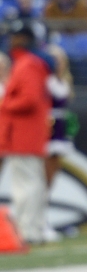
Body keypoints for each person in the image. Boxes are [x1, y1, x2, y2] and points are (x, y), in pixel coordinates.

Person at [0, 24, 53, 244]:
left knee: (25, 185)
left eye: (17, 37)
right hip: (27, 133)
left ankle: (26, 230)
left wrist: (4, 103)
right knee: (33, 182)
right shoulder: (30, 64)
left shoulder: (27, 65)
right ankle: (34, 229)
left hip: (23, 134)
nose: (13, 41)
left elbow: (29, 99)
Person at [43, 45, 77, 242]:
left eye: (60, 59)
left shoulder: (64, 82)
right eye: (53, 59)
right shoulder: (44, 81)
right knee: (42, 180)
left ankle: (45, 219)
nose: (57, 63)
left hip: (60, 133)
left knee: (51, 180)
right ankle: (40, 221)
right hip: (46, 133)